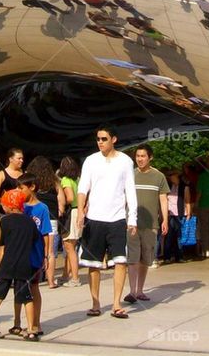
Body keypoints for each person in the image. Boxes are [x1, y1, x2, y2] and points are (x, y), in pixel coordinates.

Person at [77, 125, 138, 319]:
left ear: (114, 139)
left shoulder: (125, 161)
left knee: (120, 261)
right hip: (94, 218)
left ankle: (116, 303)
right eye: (98, 139)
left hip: (117, 218)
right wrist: (80, 212)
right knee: (93, 263)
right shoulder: (91, 161)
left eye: (104, 139)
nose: (100, 142)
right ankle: (95, 303)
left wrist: (133, 218)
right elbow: (82, 188)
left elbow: (130, 190)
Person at [0, 189, 40, 340]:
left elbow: (4, 242)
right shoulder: (30, 222)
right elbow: (34, 240)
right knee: (26, 297)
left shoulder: (5, 221)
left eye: (4, 205)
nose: (3, 208)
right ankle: (32, 329)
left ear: (11, 207)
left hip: (8, 264)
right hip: (24, 264)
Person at [125, 144, 168, 304]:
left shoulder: (159, 177)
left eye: (143, 156)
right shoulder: (130, 175)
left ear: (150, 157)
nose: (140, 159)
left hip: (151, 225)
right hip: (132, 223)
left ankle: (140, 290)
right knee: (133, 258)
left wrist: (165, 220)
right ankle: (132, 291)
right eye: (137, 156)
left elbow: (163, 199)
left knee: (145, 259)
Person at [16, 174, 52, 336]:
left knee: (34, 287)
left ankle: (36, 322)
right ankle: (22, 322)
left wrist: (47, 255)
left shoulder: (42, 208)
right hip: (20, 253)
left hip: (35, 254)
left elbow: (46, 233)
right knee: (20, 287)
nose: (19, 191)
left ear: (31, 188)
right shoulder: (19, 206)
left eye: (21, 188)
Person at [25, 156, 66, 289]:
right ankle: (50, 281)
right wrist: (60, 210)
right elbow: (62, 201)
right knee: (50, 252)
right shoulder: (54, 181)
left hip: (32, 217)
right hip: (51, 218)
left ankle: (31, 277)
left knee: (31, 248)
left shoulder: (30, 180)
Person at [58, 156, 82, 287]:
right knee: (71, 245)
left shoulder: (66, 180)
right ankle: (65, 275)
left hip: (71, 212)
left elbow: (70, 197)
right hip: (78, 211)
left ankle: (75, 278)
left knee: (69, 246)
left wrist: (61, 201)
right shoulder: (76, 180)